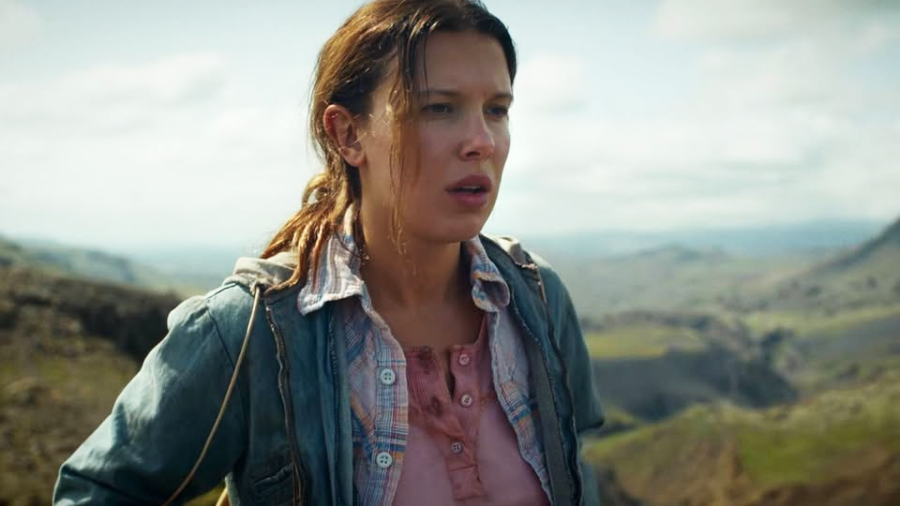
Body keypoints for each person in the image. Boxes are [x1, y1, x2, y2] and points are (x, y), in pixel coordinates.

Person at [53, 0, 604, 504]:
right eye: (439, 108)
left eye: (497, 109)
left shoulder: (536, 300)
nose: (481, 140)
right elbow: (96, 492)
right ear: (347, 135)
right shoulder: (252, 331)